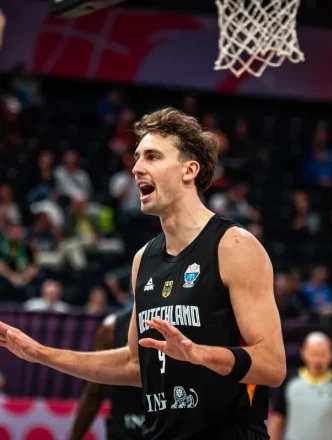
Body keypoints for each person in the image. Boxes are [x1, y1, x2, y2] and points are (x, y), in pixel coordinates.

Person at [0, 107, 286, 440]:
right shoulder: (143, 260)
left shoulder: (234, 246)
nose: (136, 168)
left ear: (189, 170)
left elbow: (272, 365)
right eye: (137, 157)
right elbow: (135, 365)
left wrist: (200, 355)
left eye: (152, 157)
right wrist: (41, 354)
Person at [68, 307, 144, 440]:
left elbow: (95, 392)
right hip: (126, 427)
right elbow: (94, 391)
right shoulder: (112, 326)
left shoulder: (113, 325)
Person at [268, 332, 332, 440]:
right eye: (314, 354)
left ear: (331, 355)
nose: (318, 360)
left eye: (322, 354)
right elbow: (277, 420)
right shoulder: (290, 382)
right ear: (303, 353)